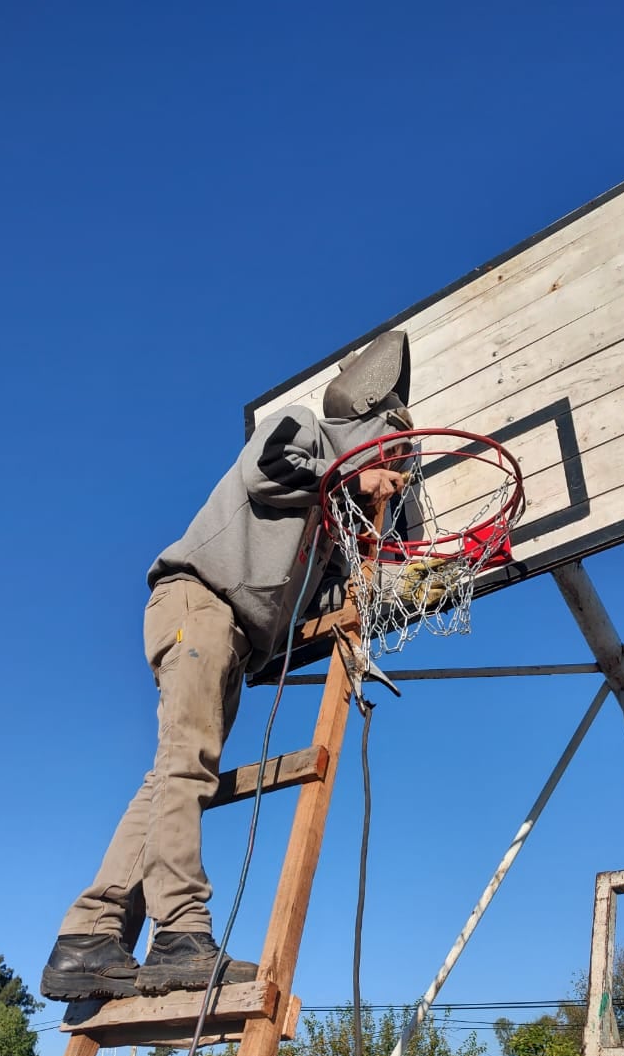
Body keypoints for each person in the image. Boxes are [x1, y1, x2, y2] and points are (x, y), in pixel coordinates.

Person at [40, 330, 413, 1001]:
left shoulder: (324, 526)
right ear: (366, 427)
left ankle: (89, 937)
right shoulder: (301, 431)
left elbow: (313, 599)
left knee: (173, 777)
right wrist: (352, 475)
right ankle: (181, 933)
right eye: (392, 449)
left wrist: (383, 572)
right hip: (198, 603)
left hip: (234, 638)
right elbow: (267, 469)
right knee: (187, 765)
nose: (394, 466)